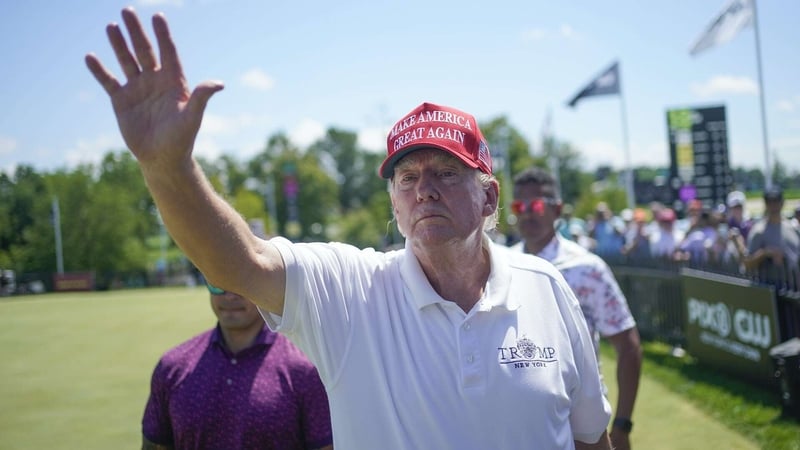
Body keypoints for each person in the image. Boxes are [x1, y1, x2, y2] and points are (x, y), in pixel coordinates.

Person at [86, 8, 612, 449]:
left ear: (490, 196)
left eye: (446, 173)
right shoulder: (352, 290)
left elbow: (591, 438)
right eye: (407, 177)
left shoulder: (548, 288)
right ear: (395, 205)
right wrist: (167, 167)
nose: (424, 189)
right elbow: (240, 262)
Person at [509, 167, 642, 450]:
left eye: (536, 204)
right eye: (519, 205)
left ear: (557, 210)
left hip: (583, 428)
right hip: (523, 426)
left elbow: (628, 346)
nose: (526, 212)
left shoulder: (587, 268)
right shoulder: (501, 266)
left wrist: (622, 424)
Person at [142, 282, 333, 450]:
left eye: (240, 283)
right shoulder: (173, 366)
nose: (229, 295)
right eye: (217, 282)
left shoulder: (304, 369)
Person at [744, 186, 800, 290]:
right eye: (769, 201)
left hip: (795, 289)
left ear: (782, 203)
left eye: (776, 201)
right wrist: (765, 253)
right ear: (765, 204)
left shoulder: (793, 228)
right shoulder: (758, 231)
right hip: (773, 291)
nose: (773, 205)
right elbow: (747, 264)